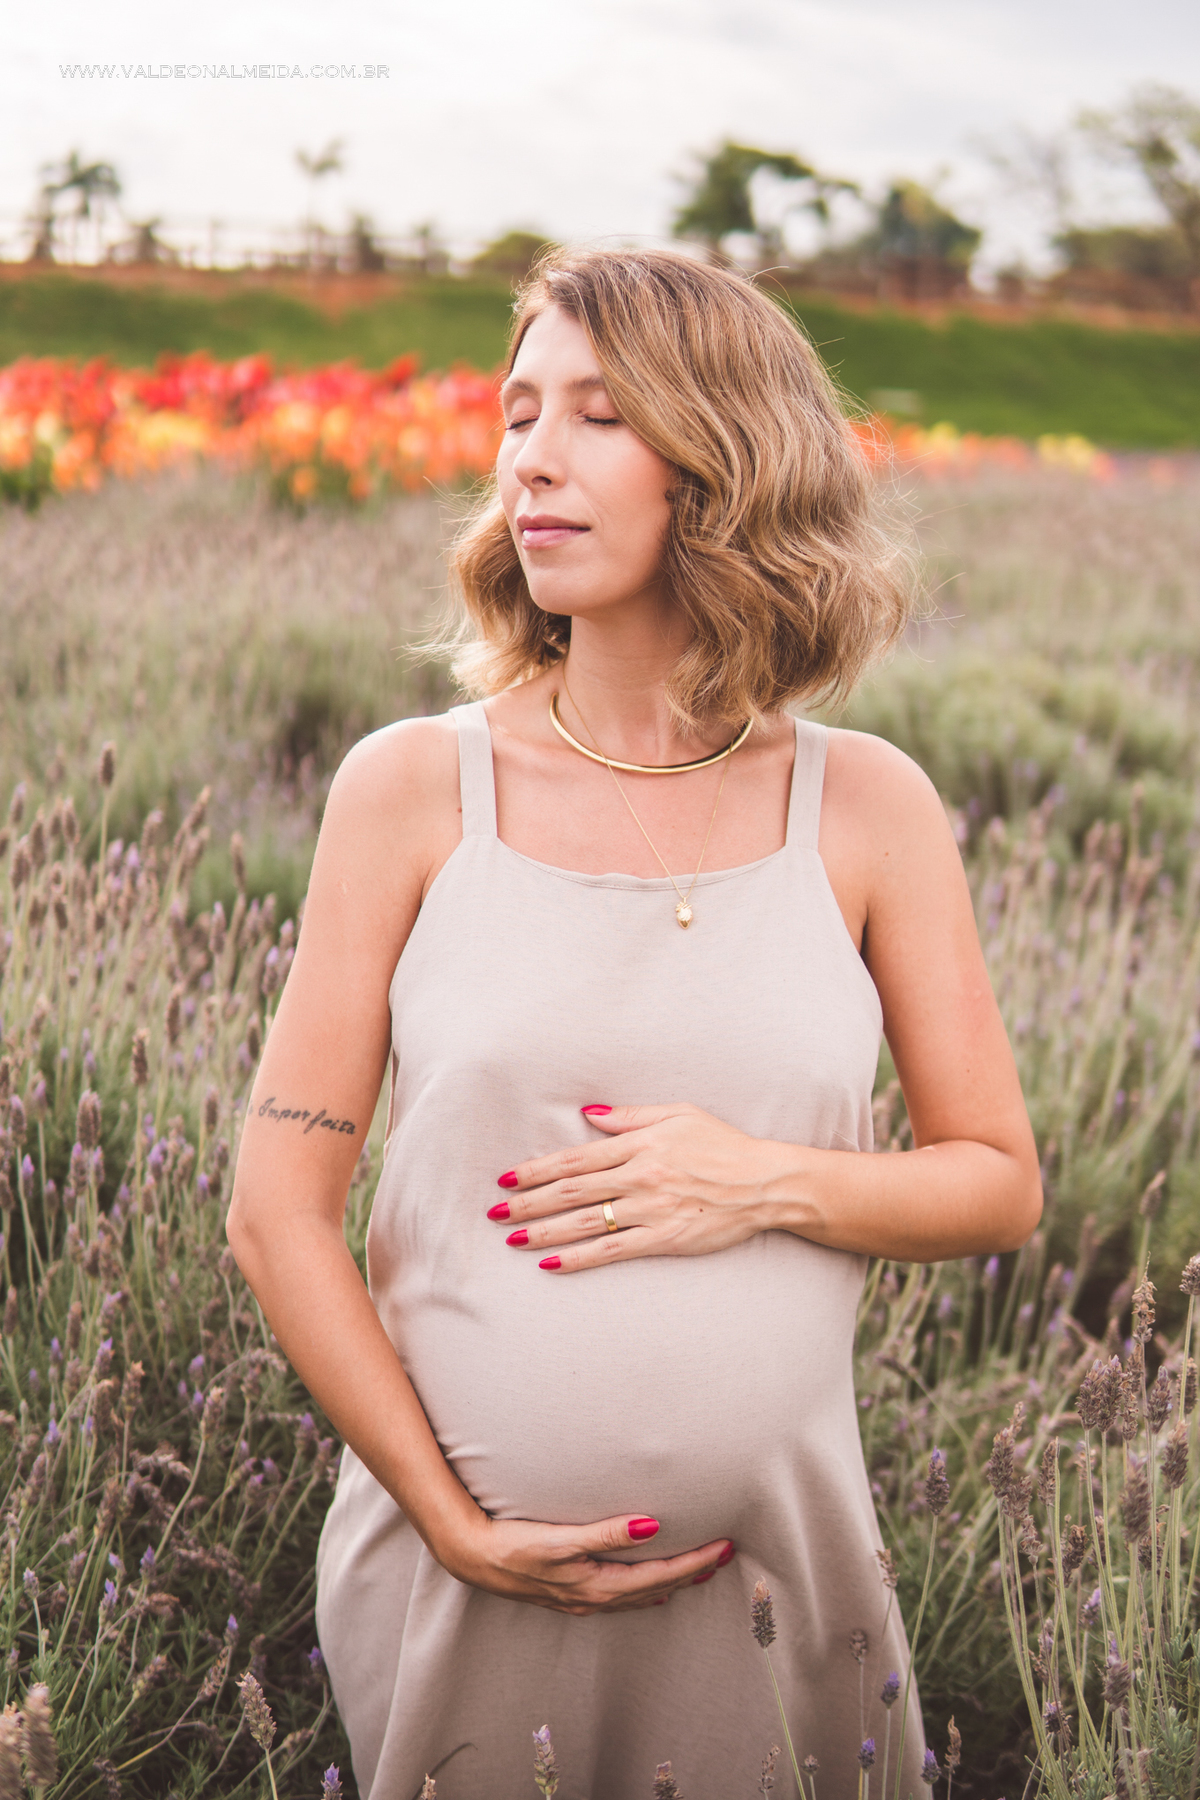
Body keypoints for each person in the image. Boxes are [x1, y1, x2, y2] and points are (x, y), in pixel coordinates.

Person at [227, 248, 1042, 1800]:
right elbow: (277, 1213)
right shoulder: (410, 791)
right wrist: (453, 1522)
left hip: (774, 1594)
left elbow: (996, 1175)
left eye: (597, 415)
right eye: (517, 411)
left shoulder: (866, 807)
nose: (531, 455)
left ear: (725, 460)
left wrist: (764, 1178)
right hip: (468, 1590)